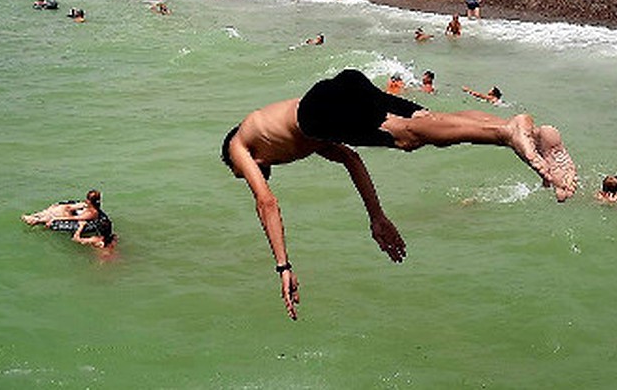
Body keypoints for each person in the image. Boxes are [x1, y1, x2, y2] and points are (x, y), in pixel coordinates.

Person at [221, 69, 577, 319]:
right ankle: (517, 129)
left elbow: (266, 202)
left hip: (320, 108)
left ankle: (508, 134)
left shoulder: (240, 143)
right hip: (341, 88)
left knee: (408, 135)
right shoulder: (287, 136)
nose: (250, 173)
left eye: (242, 172)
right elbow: (350, 158)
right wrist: (377, 217)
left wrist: (283, 266)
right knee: (430, 120)